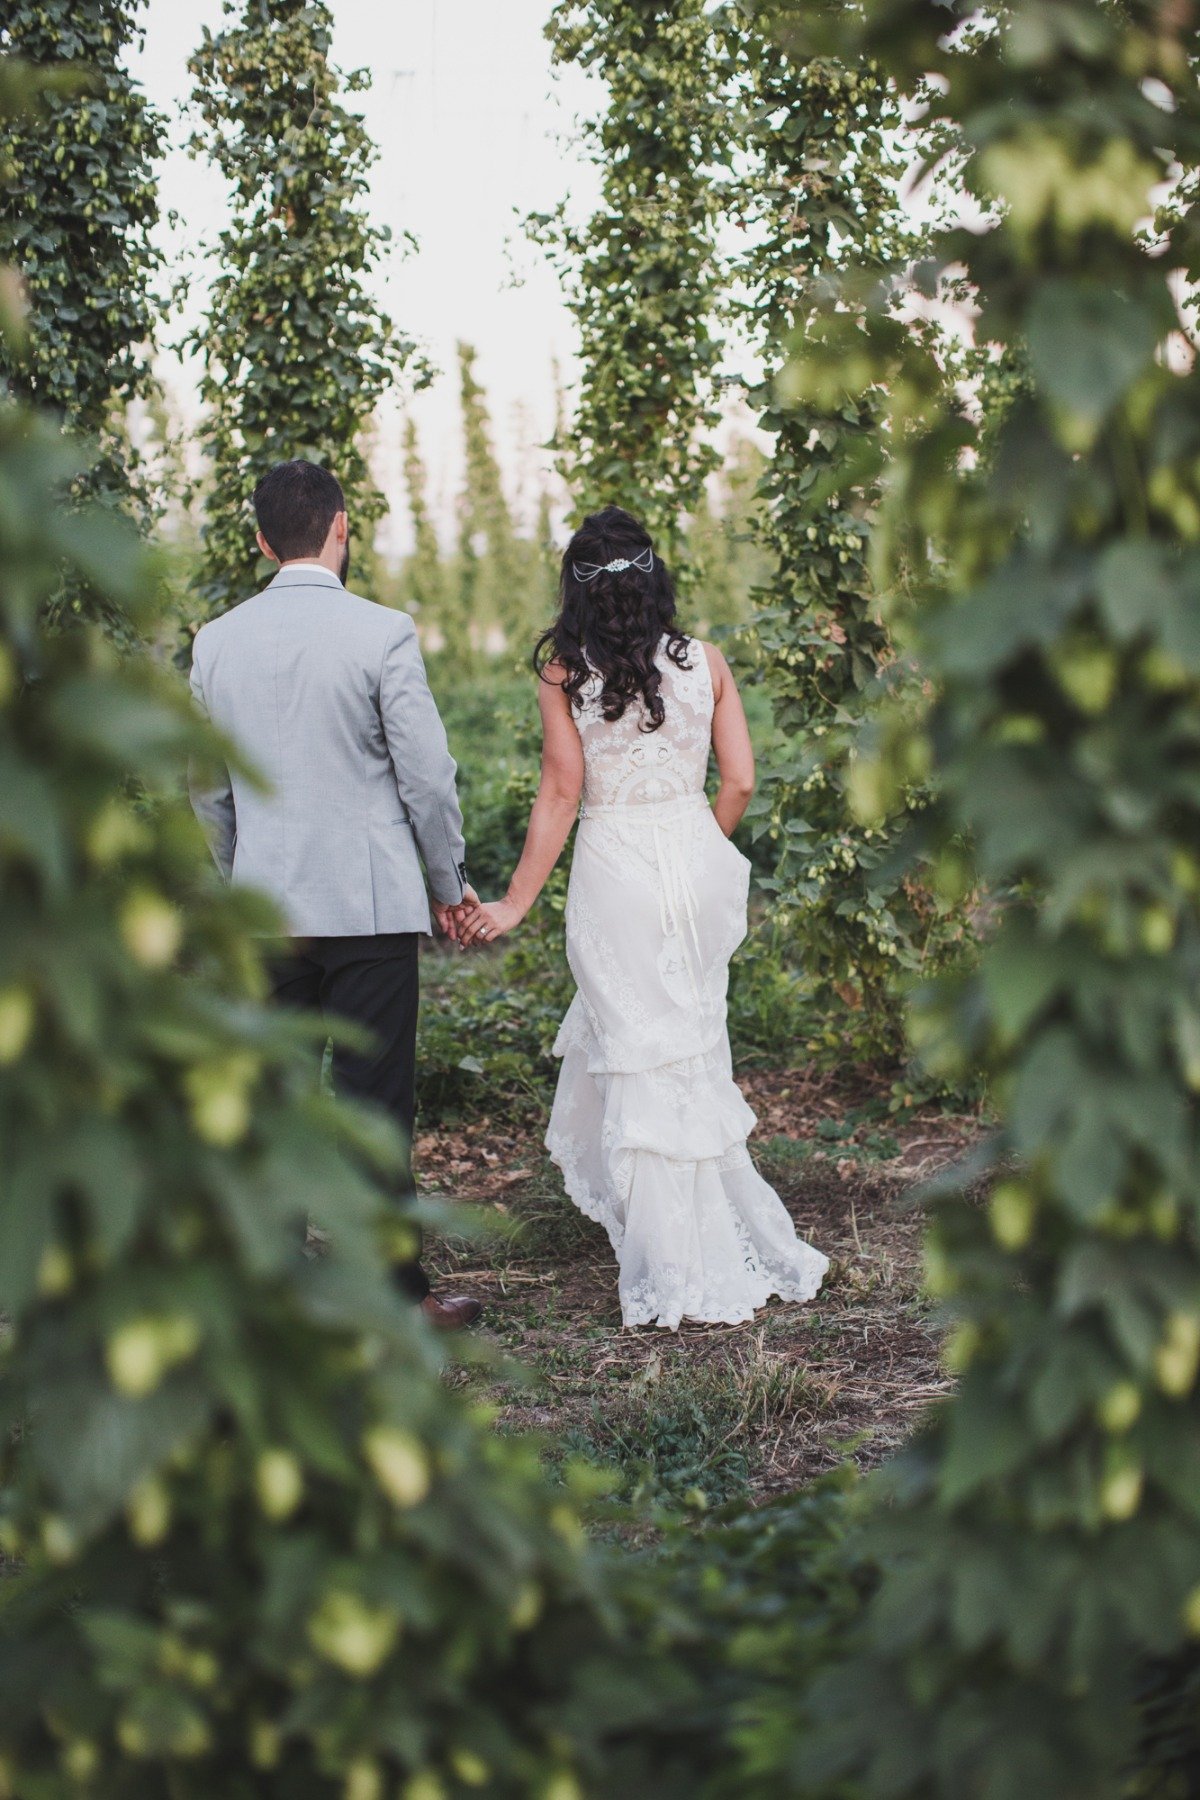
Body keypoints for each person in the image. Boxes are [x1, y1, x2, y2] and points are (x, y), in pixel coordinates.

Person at [458, 505, 828, 1329]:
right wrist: (698, 846)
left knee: (638, 1053)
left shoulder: (565, 675)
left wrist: (515, 901)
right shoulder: (709, 662)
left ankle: (671, 1268)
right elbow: (738, 782)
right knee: (693, 1048)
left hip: (614, 871)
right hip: (690, 865)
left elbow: (560, 790)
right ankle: (716, 1246)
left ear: (578, 591)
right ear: (655, 577)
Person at [188, 458, 482, 1329]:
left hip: (264, 911)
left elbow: (206, 789)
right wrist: (449, 882)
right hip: (367, 906)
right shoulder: (381, 632)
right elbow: (426, 779)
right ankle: (394, 1299)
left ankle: (275, 1295)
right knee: (374, 1107)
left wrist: (235, 885)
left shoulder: (215, 641)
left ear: (261, 540)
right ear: (342, 527)